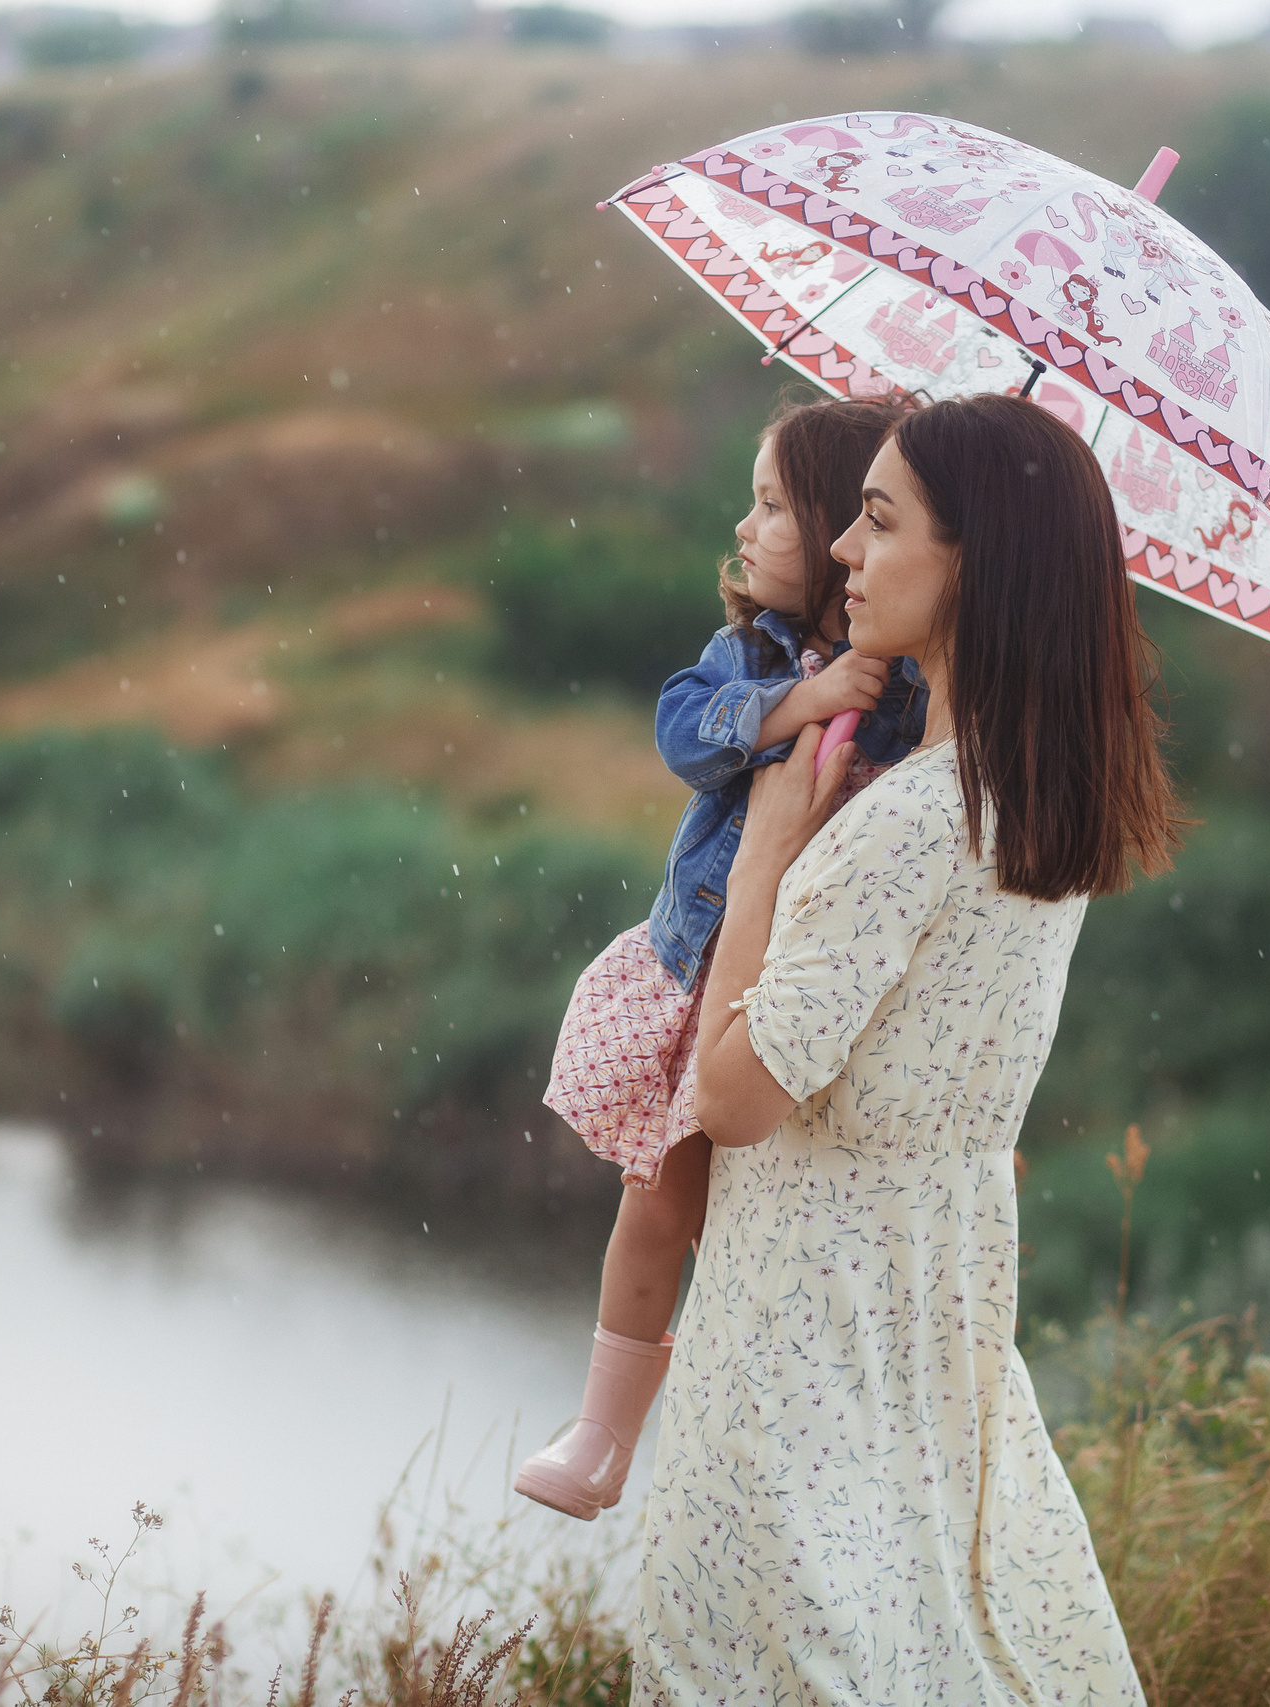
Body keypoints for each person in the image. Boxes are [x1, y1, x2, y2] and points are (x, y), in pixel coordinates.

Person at [636, 392, 1185, 1701]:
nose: (841, 548)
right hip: (933, 1316)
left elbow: (733, 1098)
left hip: (802, 1333)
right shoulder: (1032, 814)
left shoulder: (906, 826)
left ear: (972, 566)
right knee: (938, 1641)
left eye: (879, 522)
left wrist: (764, 859)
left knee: (769, 1660)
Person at [517, 395, 929, 1522]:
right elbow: (683, 735)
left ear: (845, 524)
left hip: (807, 1004)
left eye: (771, 506)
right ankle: (604, 1434)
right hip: (702, 976)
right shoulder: (748, 651)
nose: (745, 529)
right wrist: (803, 699)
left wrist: (881, 695)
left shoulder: (918, 680)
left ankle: (775, 1447)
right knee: (660, 1204)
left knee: (774, 1232)